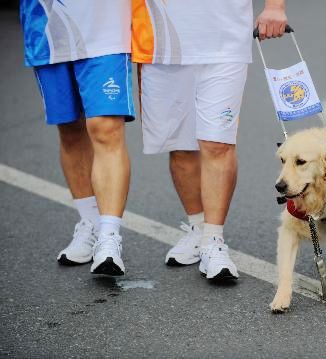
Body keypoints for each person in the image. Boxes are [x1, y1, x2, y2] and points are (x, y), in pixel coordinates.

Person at [132, 0, 287, 280]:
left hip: (225, 39)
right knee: (180, 145)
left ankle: (214, 240)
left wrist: (275, 6)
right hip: (159, 38)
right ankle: (197, 227)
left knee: (218, 143)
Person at [20, 0, 134, 276]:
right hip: (47, 27)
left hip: (106, 31)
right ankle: (90, 223)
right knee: (70, 129)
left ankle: (108, 236)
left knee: (106, 128)